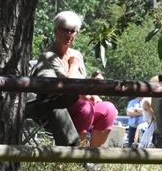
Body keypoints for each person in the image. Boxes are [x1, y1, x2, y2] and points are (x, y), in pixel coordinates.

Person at [26, 11, 117, 148]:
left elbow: (82, 83)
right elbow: (69, 86)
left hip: (79, 103)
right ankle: (74, 156)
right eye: (65, 31)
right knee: (84, 108)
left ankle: (91, 158)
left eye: (73, 31)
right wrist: (73, 66)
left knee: (109, 109)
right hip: (55, 108)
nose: (69, 35)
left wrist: (92, 94)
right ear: (56, 31)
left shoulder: (77, 55)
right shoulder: (49, 56)